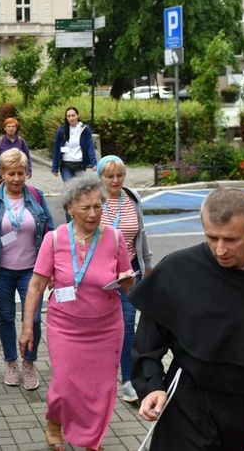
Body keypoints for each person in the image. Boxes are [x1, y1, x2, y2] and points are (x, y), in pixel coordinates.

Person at [130, 188, 244, 450]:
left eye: (231, 239)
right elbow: (148, 344)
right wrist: (151, 386)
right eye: (211, 237)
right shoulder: (178, 268)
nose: (220, 250)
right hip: (190, 402)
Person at [19, 173, 134, 451]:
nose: (94, 214)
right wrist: (27, 327)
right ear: (69, 207)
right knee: (66, 385)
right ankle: (54, 422)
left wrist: (128, 281)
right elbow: (35, 285)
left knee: (102, 388)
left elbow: (128, 285)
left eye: (98, 206)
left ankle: (91, 439)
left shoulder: (115, 238)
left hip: (107, 327)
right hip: (65, 326)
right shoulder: (54, 239)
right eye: (86, 208)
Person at [0, 149, 54, 390]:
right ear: (2, 174)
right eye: (11, 174)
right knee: (6, 318)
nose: (17, 179)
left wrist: (52, 267)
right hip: (1, 271)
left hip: (33, 270)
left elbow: (50, 232)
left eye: (21, 173)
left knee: (33, 319)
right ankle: (11, 362)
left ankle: (29, 363)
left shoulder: (37, 197)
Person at [96, 155, 152, 403]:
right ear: (101, 178)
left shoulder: (132, 198)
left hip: (130, 271)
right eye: (110, 176)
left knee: (128, 324)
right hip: (100, 274)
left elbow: (142, 234)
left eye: (119, 175)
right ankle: (99, 375)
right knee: (101, 326)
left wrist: (147, 265)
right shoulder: (93, 201)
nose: (116, 180)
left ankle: (128, 380)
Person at [51, 106, 97, 180]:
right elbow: (56, 149)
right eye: (68, 116)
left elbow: (90, 147)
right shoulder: (62, 130)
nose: (71, 118)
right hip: (66, 165)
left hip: (80, 165)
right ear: (66, 118)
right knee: (70, 188)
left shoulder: (85, 129)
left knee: (79, 189)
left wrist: (94, 163)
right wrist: (55, 167)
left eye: (73, 115)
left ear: (77, 115)